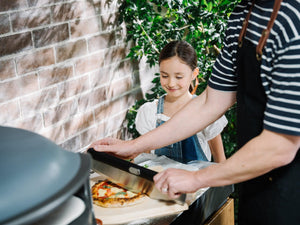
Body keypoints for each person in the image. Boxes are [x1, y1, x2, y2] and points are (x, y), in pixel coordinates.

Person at [90, 0, 300, 224]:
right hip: (254, 187)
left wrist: (197, 178)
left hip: (290, 194)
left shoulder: (291, 22)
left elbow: (281, 144)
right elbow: (210, 101)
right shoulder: (242, 15)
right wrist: (132, 146)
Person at [135, 40, 227, 163]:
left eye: (179, 77)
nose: (171, 83)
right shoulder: (149, 112)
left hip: (197, 181)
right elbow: (144, 160)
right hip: (158, 181)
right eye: (165, 76)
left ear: (194, 74)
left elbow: (220, 159)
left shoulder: (206, 111)